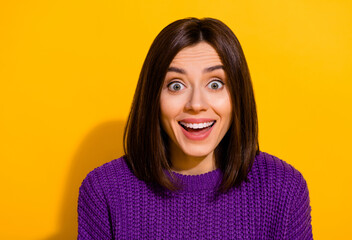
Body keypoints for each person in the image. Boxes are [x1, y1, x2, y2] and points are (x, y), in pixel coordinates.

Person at [77, 17, 313, 239]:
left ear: (238, 96)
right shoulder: (103, 191)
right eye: (176, 86)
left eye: (215, 84)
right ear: (152, 98)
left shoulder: (284, 189)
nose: (196, 105)